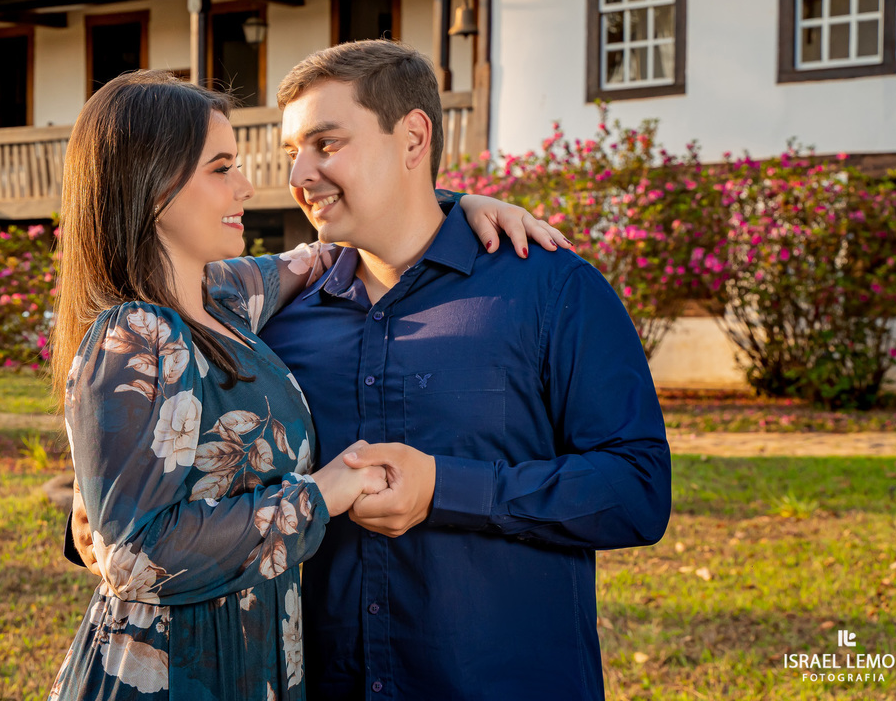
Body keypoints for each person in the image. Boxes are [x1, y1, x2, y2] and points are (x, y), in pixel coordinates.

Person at [73, 41, 671, 700]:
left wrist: (448, 486)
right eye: (291, 151)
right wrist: (94, 512)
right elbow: (157, 451)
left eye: (326, 144)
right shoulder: (270, 318)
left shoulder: (552, 290)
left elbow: (637, 492)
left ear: (413, 137)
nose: (297, 175)